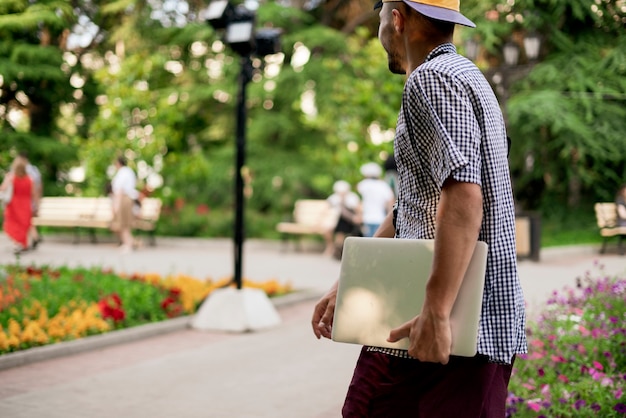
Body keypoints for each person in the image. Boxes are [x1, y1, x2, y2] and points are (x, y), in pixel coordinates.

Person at [311, 1, 527, 416]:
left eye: (378, 19)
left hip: (440, 326)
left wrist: (436, 310)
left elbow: (464, 195)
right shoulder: (469, 77)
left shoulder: (430, 80)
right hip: (458, 322)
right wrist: (351, 281)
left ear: (397, 18)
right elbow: (415, 202)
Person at [0, 156, 35, 254]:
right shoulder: (29, 179)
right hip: (26, 204)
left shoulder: (11, 177)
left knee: (13, 224)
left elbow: (3, 188)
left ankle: (17, 244)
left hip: (14, 204)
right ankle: (22, 244)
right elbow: (32, 193)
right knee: (23, 226)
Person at [324, 180, 362, 258]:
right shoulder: (334, 198)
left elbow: (357, 210)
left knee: (341, 230)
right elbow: (326, 209)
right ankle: (335, 248)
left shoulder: (352, 197)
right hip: (338, 221)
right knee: (336, 230)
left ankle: (338, 249)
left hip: (350, 221)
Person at [110, 156, 140, 253]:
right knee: (123, 224)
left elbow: (119, 190)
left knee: (123, 223)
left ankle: (128, 244)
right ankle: (128, 243)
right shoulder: (129, 171)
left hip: (123, 199)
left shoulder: (122, 173)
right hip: (129, 198)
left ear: (118, 163)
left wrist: (116, 204)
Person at [357, 162, 395, 237]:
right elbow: (391, 201)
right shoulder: (383, 185)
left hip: (367, 218)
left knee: (368, 242)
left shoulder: (363, 184)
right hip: (380, 218)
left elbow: (359, 201)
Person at [19, 151, 43, 249]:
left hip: (25, 199)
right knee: (28, 220)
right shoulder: (35, 169)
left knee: (24, 221)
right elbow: (40, 185)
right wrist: (38, 199)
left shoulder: (23, 170)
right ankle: (35, 237)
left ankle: (26, 242)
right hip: (32, 198)